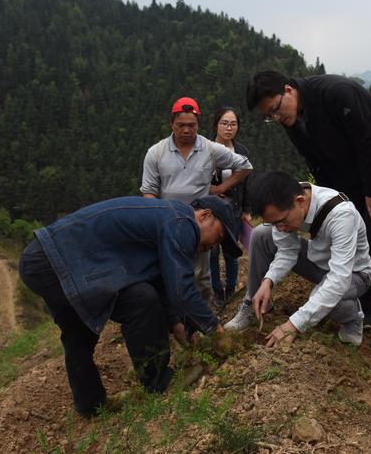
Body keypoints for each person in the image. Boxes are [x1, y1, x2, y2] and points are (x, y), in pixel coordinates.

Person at [19, 195, 240, 417]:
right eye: (218, 236)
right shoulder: (182, 223)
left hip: (41, 258)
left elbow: (161, 278)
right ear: (205, 215)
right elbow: (180, 288)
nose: (212, 247)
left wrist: (176, 323)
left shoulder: (167, 217)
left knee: (78, 334)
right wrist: (216, 331)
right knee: (142, 300)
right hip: (57, 261)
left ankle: (91, 404)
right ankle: (159, 382)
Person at [245, 71, 371, 329]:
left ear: (288, 90)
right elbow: (315, 160)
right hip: (347, 167)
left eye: (276, 109)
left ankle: (369, 305)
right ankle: (341, 280)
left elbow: (367, 141)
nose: (276, 117)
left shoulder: (334, 92)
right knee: (347, 222)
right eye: (269, 116)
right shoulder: (291, 120)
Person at [224, 171, 371, 348]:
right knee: (261, 234)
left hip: (354, 274)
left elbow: (339, 279)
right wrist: (267, 281)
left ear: (300, 201)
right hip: (318, 263)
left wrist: (293, 325)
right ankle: (252, 304)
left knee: (329, 296)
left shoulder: (341, 215)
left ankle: (353, 317)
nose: (279, 229)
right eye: (274, 224)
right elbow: (287, 251)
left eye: (281, 221)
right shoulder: (287, 200)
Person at [140, 97, 253, 300]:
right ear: (171, 124)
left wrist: (222, 187)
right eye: (180, 125)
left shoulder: (210, 149)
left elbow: (245, 166)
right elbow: (149, 191)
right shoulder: (155, 153)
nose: (186, 130)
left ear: (198, 125)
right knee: (168, 272)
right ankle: (173, 320)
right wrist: (154, 220)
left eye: (191, 125)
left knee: (200, 276)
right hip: (168, 223)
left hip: (200, 224)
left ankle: (199, 322)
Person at [208, 107, 252, 309]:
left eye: (233, 124)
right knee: (212, 251)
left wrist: (246, 210)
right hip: (210, 209)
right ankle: (217, 291)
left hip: (233, 208)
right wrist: (212, 191)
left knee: (231, 251)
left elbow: (247, 182)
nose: (229, 128)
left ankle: (231, 290)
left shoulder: (241, 151)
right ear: (216, 124)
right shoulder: (205, 148)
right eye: (225, 123)